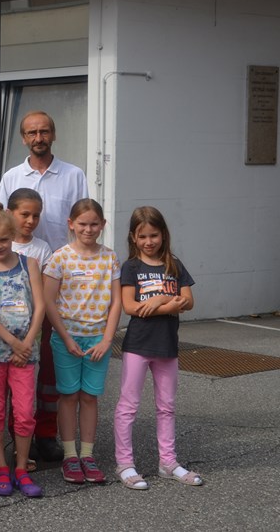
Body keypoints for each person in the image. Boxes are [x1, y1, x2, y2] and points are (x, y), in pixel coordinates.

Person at [0, 112, 88, 461]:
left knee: (49, 366)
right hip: (14, 289)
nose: (39, 136)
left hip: (58, 281)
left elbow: (81, 222)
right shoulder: (11, 177)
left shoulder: (73, 175)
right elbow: (2, 226)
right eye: (32, 132)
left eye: (44, 130)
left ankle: (46, 434)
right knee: (15, 365)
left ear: (53, 134)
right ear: (23, 138)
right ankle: (15, 432)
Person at [114, 206, 201, 490]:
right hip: (138, 346)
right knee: (128, 406)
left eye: (154, 235)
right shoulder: (131, 267)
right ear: (133, 237)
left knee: (167, 406)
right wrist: (168, 304)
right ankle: (125, 464)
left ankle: (168, 462)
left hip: (167, 347)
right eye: (143, 236)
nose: (149, 241)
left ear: (163, 234)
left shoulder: (173, 265)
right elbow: (130, 307)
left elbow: (188, 301)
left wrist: (160, 297)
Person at [42, 199, 122, 485]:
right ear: (71, 224)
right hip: (66, 338)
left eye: (94, 224)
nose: (88, 229)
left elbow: (115, 303)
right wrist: (65, 337)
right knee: (69, 395)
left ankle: (88, 455)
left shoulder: (109, 257)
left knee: (89, 397)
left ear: (102, 225)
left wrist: (108, 340)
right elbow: (49, 302)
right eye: (83, 224)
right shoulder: (60, 258)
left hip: (98, 339)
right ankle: (69, 456)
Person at [0, 204, 46, 499]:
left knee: (25, 411)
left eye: (3, 239)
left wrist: (26, 342)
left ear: (12, 235)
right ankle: (1, 465)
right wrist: (11, 342)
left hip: (25, 353)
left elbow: (40, 305)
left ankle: (21, 467)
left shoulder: (28, 263)